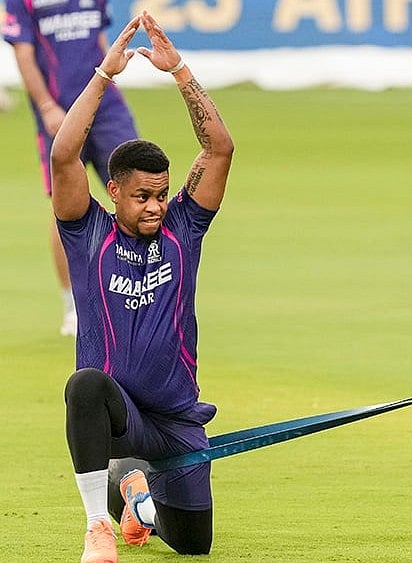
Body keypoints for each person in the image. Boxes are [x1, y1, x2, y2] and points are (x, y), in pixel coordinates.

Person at [51, 11, 234, 563]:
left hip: (177, 422)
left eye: (161, 194)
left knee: (193, 546)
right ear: (114, 191)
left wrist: (178, 70)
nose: (155, 206)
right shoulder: (88, 233)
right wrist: (103, 76)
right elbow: (63, 155)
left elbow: (220, 149)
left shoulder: (184, 227)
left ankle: (137, 494)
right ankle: (97, 527)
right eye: (142, 197)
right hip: (119, 415)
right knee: (84, 384)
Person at [4, 0, 140, 337]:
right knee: (65, 206)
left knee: (136, 190)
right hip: (60, 109)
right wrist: (47, 107)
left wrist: (113, 80)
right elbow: (24, 53)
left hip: (107, 108)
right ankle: (74, 306)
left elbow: (98, 40)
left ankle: (139, 293)